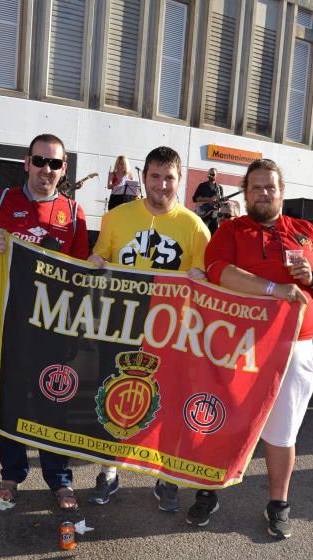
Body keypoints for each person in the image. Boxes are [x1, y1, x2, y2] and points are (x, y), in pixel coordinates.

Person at [201, 158, 313, 538]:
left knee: (283, 432)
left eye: (271, 187)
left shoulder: (304, 231)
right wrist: (273, 289)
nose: (264, 193)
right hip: (239, 347)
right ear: (245, 193)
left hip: (294, 348)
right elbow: (217, 269)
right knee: (221, 423)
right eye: (256, 187)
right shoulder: (232, 229)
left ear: (281, 192)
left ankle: (279, 503)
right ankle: (208, 489)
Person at [0, 133, 89, 510]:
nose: (46, 170)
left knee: (55, 397)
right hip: (5, 317)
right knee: (9, 397)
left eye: (55, 164)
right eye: (40, 161)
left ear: (64, 169)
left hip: (52, 322)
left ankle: (59, 478)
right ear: (27, 162)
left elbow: (81, 272)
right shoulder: (1, 201)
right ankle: (11, 474)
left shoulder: (73, 212)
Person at [88, 146, 211, 511]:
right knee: (114, 397)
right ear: (144, 179)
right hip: (120, 326)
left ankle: (166, 476)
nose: (161, 185)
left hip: (171, 331)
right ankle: (108, 471)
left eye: (169, 177)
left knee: (170, 402)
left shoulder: (195, 228)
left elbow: (207, 282)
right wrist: (94, 261)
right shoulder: (116, 217)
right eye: (155, 176)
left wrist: (202, 277)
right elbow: (100, 257)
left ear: (179, 179)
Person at [192, 167, 224, 234]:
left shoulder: (219, 188)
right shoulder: (202, 186)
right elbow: (195, 199)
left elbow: (221, 204)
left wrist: (220, 202)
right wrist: (209, 199)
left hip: (214, 217)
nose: (211, 176)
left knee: (213, 237)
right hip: (203, 214)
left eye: (213, 174)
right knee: (201, 234)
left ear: (216, 175)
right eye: (210, 174)